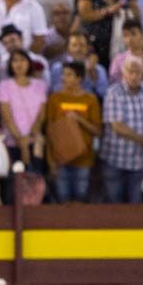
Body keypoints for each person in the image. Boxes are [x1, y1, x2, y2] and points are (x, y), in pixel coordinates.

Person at [100, 55, 143, 203]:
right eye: (130, 71)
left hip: (139, 160)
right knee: (115, 202)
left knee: (136, 202)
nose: (134, 75)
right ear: (123, 72)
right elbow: (117, 126)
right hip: (115, 158)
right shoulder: (113, 92)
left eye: (138, 72)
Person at [45, 59, 102, 202]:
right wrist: (51, 160)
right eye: (63, 74)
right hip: (60, 159)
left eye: (69, 75)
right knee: (62, 198)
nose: (64, 78)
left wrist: (79, 119)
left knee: (80, 198)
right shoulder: (55, 98)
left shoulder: (91, 100)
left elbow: (97, 131)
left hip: (84, 159)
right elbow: (50, 130)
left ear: (79, 78)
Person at [0, 49, 48, 177]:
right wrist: (21, 141)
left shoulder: (40, 85)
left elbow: (41, 115)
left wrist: (29, 137)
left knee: (35, 179)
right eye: (15, 60)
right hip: (12, 141)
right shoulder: (4, 85)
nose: (19, 64)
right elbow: (7, 117)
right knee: (16, 182)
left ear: (29, 63)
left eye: (22, 60)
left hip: (35, 141)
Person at [78, 0, 137, 68]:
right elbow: (86, 15)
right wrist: (108, 11)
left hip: (118, 44)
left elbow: (136, 13)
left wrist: (126, 11)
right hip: (93, 45)